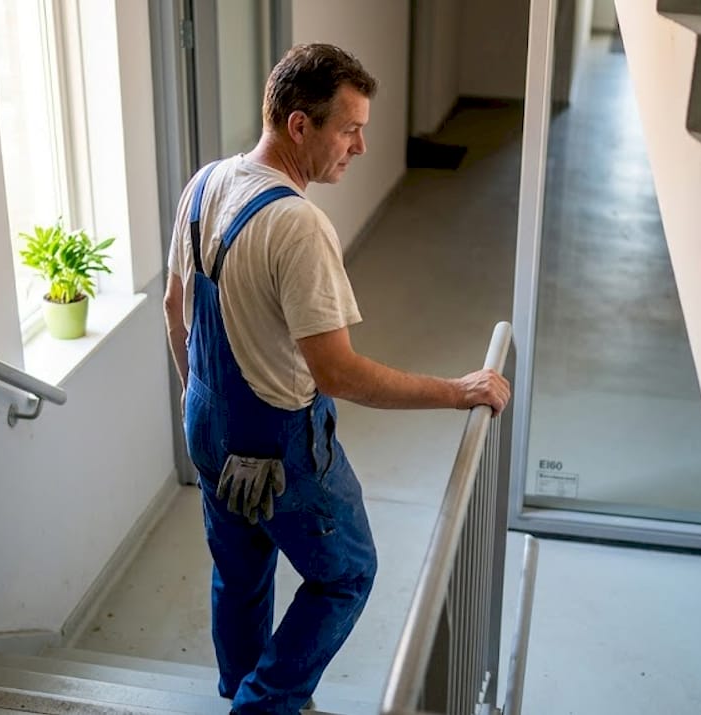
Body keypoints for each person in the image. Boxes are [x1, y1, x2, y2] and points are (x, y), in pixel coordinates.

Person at [162, 43, 511, 715]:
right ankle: (263, 705)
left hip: (206, 424)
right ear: (300, 126)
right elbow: (339, 371)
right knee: (348, 574)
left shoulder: (205, 184)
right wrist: (456, 390)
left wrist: (198, 401)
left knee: (241, 574)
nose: (360, 144)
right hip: (282, 450)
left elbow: (176, 308)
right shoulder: (297, 226)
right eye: (349, 128)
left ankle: (242, 688)